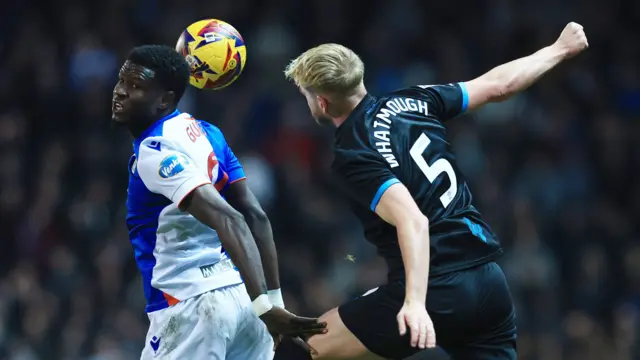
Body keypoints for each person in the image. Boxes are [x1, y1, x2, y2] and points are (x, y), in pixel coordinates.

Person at [277, 22, 589, 360]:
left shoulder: (353, 153)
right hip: (488, 281)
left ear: (322, 103)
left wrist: (413, 301)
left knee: (306, 347)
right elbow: (498, 86)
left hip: (437, 289)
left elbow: (414, 220)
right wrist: (559, 49)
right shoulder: (414, 100)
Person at [112, 44, 326, 360]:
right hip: (240, 300)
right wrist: (271, 301)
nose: (120, 93)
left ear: (165, 100)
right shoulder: (207, 133)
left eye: (136, 87)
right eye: (121, 81)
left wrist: (266, 307)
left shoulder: (154, 151)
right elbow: (256, 215)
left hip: (191, 307)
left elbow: (232, 218)